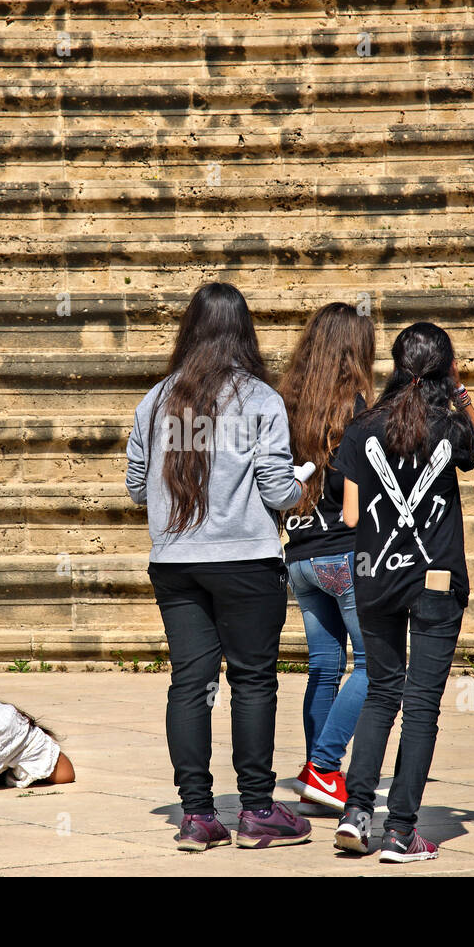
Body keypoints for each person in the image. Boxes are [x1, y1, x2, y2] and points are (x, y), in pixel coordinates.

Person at [126, 282, 312, 852]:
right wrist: (302, 483)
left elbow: (136, 488)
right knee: (252, 680)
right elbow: (277, 490)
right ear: (244, 332)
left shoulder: (156, 400)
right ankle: (256, 809)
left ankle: (197, 815)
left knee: (191, 682)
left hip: (176, 562)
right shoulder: (260, 399)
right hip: (246, 561)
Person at [330, 322, 474, 863]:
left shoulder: (361, 427)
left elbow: (350, 514)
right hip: (436, 577)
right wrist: (463, 397)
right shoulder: (450, 426)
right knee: (421, 705)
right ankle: (401, 830)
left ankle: (355, 813)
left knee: (380, 693)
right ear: (446, 369)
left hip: (375, 574)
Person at [278, 302, 375, 812]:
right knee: (376, 664)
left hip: (299, 554)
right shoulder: (356, 407)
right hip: (342, 551)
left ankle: (319, 774)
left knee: (324, 664)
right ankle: (325, 764)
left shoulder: (282, 402)